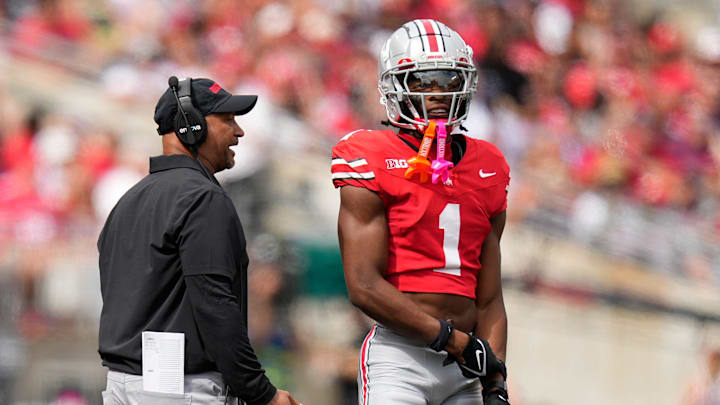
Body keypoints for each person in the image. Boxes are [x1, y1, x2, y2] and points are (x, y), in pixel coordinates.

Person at [332, 20, 511, 404]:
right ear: (394, 86)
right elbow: (363, 285)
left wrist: (496, 378)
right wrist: (449, 339)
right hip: (401, 356)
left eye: (448, 79)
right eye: (422, 81)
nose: (437, 92)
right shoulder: (370, 154)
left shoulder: (489, 164)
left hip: (467, 368)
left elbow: (490, 298)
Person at [97, 76, 301, 405]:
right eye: (228, 120)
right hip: (180, 389)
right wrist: (262, 393)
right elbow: (215, 307)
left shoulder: (129, 199)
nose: (239, 132)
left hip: (123, 385)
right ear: (191, 126)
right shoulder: (202, 198)